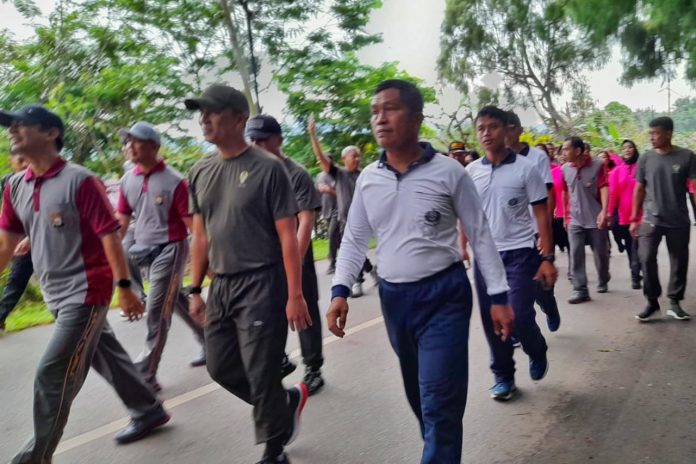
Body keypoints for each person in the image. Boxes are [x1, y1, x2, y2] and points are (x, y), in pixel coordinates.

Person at [326, 79, 514, 464]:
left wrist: (498, 297)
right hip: (395, 299)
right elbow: (355, 238)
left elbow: (480, 236)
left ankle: (439, 452)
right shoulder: (369, 179)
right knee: (419, 395)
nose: (380, 118)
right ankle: (441, 450)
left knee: (439, 402)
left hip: (444, 295)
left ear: (416, 118)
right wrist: (339, 289)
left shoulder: (449, 173)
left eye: (390, 109)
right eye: (375, 111)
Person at [0, 104, 170, 464]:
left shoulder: (79, 179)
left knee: (52, 373)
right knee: (104, 354)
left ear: (51, 133)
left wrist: (124, 286)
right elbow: (6, 244)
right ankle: (147, 408)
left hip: (86, 292)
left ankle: (36, 456)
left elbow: (109, 234)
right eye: (9, 126)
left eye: (21, 125)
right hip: (54, 293)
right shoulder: (15, 185)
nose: (12, 131)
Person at [185, 84, 310, 464]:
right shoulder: (200, 170)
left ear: (239, 119)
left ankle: (275, 450)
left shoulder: (268, 168)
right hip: (221, 284)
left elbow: (288, 236)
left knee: (260, 368)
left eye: (213, 112)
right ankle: (284, 400)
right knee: (221, 367)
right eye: (201, 113)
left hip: (261, 281)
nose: (204, 120)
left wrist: (295, 294)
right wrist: (194, 288)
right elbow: (200, 235)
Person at [467, 106, 556, 402]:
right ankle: (503, 376)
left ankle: (536, 348)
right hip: (485, 258)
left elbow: (542, 214)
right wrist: (460, 244)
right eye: (481, 128)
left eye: (493, 127)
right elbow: (467, 214)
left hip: (520, 254)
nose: (486, 133)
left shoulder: (525, 169)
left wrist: (546, 257)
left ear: (507, 130)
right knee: (492, 320)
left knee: (517, 314)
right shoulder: (471, 172)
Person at [115, 122, 206, 392]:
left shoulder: (174, 182)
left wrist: (205, 266)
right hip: (144, 250)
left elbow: (193, 228)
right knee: (175, 300)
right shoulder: (127, 179)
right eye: (126, 141)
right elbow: (121, 221)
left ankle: (146, 373)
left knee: (157, 309)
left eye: (136, 141)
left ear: (154, 146)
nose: (129, 146)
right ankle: (213, 340)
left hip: (171, 249)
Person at [245, 114, 325, 396]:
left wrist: (296, 263)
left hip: (294, 254)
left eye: (262, 140)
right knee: (266, 310)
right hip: (264, 258)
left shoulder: (296, 174)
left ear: (278, 140)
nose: (256, 144)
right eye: (252, 139)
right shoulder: (250, 174)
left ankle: (313, 367)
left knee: (305, 311)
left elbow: (305, 220)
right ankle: (278, 358)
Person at [630, 116, 696, 322]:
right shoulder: (646, 158)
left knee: (679, 260)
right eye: (650, 134)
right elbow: (639, 188)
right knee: (646, 257)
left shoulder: (687, 156)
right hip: (651, 220)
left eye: (655, 133)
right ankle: (652, 301)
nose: (651, 137)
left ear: (668, 134)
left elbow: (694, 188)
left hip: (678, 219)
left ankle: (675, 302)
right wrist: (634, 218)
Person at [308, 114, 377, 298]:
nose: (357, 159)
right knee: (355, 250)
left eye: (359, 156)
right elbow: (321, 158)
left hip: (363, 220)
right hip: (344, 219)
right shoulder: (339, 174)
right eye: (354, 156)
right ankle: (370, 272)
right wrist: (313, 135)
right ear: (344, 158)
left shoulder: (365, 174)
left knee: (354, 250)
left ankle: (358, 281)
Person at [506, 111, 561, 332]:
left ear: (519, 130)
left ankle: (549, 306)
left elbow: (547, 196)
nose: (506, 133)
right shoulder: (491, 161)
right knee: (514, 287)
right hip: (510, 235)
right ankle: (519, 330)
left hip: (535, 229)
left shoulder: (536, 157)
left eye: (511, 127)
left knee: (540, 283)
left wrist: (544, 232)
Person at [561, 136, 610, 304]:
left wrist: (604, 211)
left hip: (595, 217)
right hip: (575, 218)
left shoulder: (597, 165)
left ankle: (603, 277)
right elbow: (565, 192)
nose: (563, 152)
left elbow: (604, 187)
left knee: (601, 253)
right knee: (575, 253)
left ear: (578, 150)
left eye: (566, 149)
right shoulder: (565, 168)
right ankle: (580, 289)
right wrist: (565, 216)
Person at [0, 153, 32, 332]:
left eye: (25, 158)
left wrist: (30, 238)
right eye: (19, 159)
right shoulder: (8, 182)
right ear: (10, 161)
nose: (24, 163)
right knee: (16, 282)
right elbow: (7, 213)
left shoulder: (38, 180)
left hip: (44, 241)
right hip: (19, 243)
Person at [608, 140, 642, 289]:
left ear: (635, 149)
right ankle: (635, 272)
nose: (627, 150)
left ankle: (637, 273)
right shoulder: (617, 171)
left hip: (642, 213)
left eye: (630, 147)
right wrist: (609, 213)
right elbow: (613, 194)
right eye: (624, 148)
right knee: (630, 246)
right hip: (625, 215)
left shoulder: (642, 167)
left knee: (639, 245)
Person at [315, 164, 339, 274]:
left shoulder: (337, 175)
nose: (321, 164)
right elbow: (317, 193)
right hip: (326, 211)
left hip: (338, 210)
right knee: (337, 240)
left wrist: (329, 190)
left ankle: (332, 263)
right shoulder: (319, 176)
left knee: (332, 234)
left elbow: (343, 194)